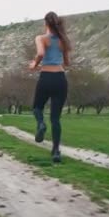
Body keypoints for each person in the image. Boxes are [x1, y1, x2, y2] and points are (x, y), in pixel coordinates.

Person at [28, 11, 71, 163]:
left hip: (46, 77)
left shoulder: (41, 38)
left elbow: (40, 53)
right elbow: (67, 63)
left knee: (37, 108)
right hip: (60, 79)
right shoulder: (63, 40)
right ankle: (56, 152)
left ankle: (40, 124)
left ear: (45, 23)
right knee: (55, 119)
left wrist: (34, 64)